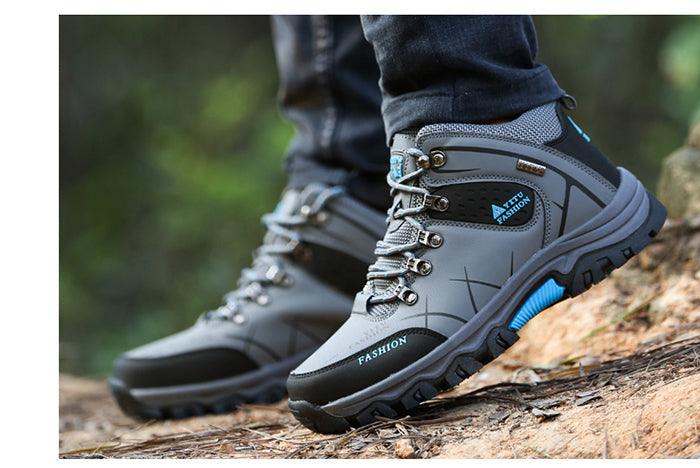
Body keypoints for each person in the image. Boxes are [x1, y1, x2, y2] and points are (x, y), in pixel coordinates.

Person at [109, 16, 666, 432]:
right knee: (348, 164)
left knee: (459, 101)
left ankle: (488, 127)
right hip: (363, 171)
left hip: (497, 144)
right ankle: (355, 194)